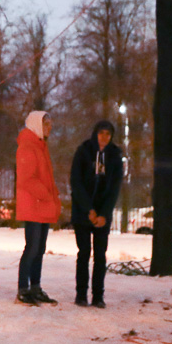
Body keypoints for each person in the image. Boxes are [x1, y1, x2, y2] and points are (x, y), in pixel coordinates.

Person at [69, 120, 122, 308]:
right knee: (84, 253)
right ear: (95, 133)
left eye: (108, 134)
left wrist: (104, 214)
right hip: (83, 212)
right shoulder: (83, 152)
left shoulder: (115, 156)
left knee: (100, 255)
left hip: (102, 215)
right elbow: (76, 183)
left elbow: (115, 188)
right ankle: (81, 294)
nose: (104, 138)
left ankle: (98, 296)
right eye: (101, 133)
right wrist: (88, 210)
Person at [15, 109, 61, 305]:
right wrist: (46, 194)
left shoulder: (40, 146)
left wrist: (50, 196)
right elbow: (27, 179)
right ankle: (23, 289)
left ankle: (35, 287)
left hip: (41, 205)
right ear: (36, 125)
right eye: (46, 124)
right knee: (32, 248)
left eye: (50, 124)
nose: (50, 128)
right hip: (34, 205)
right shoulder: (28, 146)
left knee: (39, 248)